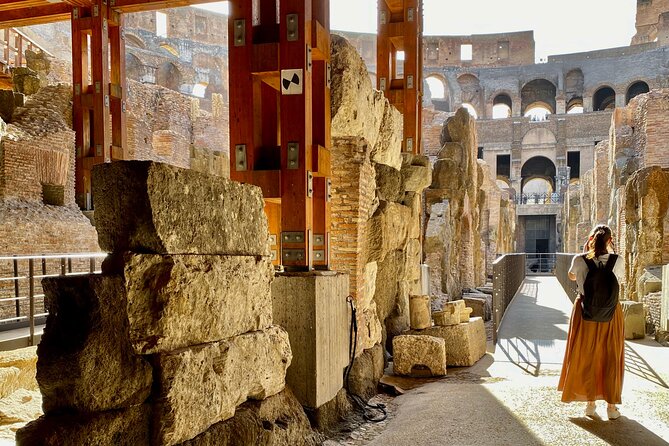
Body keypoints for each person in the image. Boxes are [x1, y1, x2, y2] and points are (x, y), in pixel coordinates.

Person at [558, 224, 625, 420]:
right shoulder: (618, 260)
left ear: (590, 240)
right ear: (610, 241)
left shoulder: (579, 260)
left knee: (586, 354)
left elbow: (571, 276)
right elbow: (619, 279)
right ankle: (612, 408)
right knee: (611, 355)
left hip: (584, 311)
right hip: (611, 314)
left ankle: (590, 404)